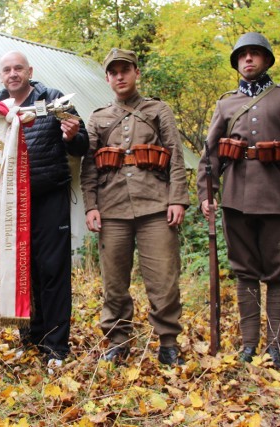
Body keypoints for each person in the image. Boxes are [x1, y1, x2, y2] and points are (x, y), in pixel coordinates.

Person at [196, 32, 280, 371]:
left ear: (266, 59)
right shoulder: (226, 103)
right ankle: (250, 344)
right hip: (235, 200)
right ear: (237, 63)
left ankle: (276, 347)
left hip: (279, 198)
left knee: (279, 274)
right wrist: (206, 193)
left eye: (254, 54)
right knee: (244, 272)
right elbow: (210, 154)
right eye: (242, 55)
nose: (248, 59)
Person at [80, 48, 189, 366]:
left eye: (125, 69)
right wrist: (91, 206)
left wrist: (177, 198)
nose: (120, 76)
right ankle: (118, 340)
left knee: (164, 280)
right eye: (113, 72)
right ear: (107, 79)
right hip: (112, 209)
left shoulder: (158, 110)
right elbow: (89, 167)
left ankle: (168, 342)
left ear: (136, 73)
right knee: (114, 282)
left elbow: (175, 155)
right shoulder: (98, 118)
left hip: (156, 206)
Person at [0, 51, 88, 370]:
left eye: (18, 68)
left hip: (49, 196)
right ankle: (31, 340)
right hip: (11, 203)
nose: (13, 73)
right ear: (0, 76)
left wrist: (72, 136)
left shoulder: (55, 99)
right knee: (21, 272)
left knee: (52, 270)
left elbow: (82, 143)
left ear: (30, 71)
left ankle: (56, 347)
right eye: (7, 69)